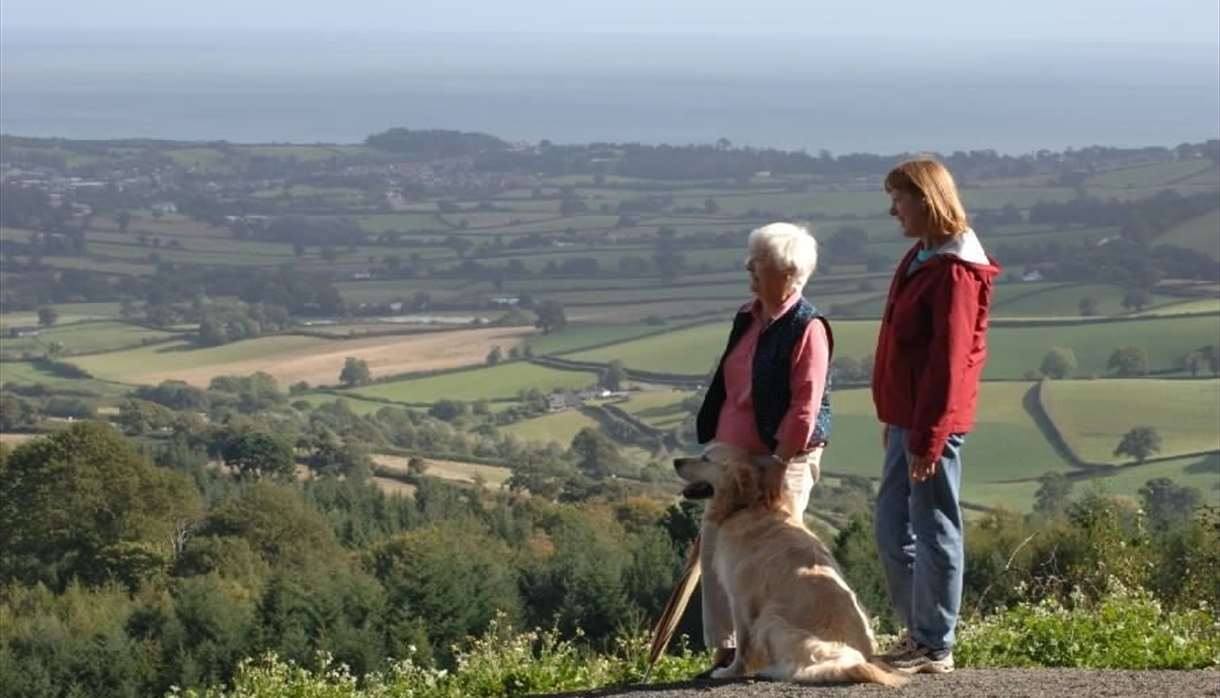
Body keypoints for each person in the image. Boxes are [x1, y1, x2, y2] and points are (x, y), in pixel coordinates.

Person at [871, 159, 1001, 674]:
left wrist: (928, 436)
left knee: (935, 527)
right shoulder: (921, 256)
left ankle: (934, 643)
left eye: (899, 199)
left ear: (926, 200)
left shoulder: (954, 272)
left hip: (933, 426)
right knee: (890, 526)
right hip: (910, 419)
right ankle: (919, 633)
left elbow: (948, 364)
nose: (893, 210)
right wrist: (898, 417)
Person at [692, 221, 834, 675]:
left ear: (788, 272)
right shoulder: (747, 315)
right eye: (751, 260)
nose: (749, 268)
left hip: (781, 459)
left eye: (759, 262)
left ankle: (774, 647)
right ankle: (729, 650)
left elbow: (804, 406)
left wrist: (779, 461)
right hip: (733, 457)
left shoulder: (806, 327)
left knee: (774, 556)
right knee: (716, 549)